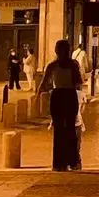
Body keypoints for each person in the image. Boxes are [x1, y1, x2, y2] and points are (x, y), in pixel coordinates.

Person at [38, 39, 84, 172]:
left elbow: (44, 84)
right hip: (67, 95)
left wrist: (43, 91)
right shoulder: (72, 65)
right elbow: (79, 82)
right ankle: (71, 162)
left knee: (63, 129)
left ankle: (60, 163)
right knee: (67, 129)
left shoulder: (53, 65)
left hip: (60, 95)